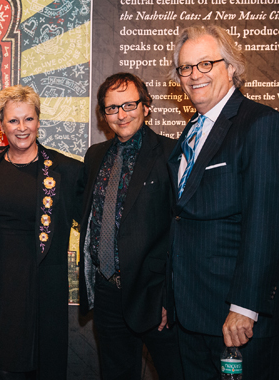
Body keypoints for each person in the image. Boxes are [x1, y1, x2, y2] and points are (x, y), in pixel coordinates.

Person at [167, 25, 279, 379]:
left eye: (205, 64)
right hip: (190, 310)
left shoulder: (260, 124)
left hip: (234, 316)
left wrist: (245, 306)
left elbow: (264, 221)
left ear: (231, 67)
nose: (194, 75)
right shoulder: (192, 130)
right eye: (186, 67)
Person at [0, 85, 83, 380]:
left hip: (38, 282)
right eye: (13, 121)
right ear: (1, 125)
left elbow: (90, 219)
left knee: (33, 364)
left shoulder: (67, 170)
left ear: (39, 121)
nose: (22, 128)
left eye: (28, 119)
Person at [78, 73, 183, 379]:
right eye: (112, 108)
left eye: (129, 105)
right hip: (108, 292)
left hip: (155, 296)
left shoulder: (171, 153)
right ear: (103, 114)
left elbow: (181, 230)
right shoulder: (95, 155)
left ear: (146, 106)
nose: (121, 114)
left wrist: (169, 298)